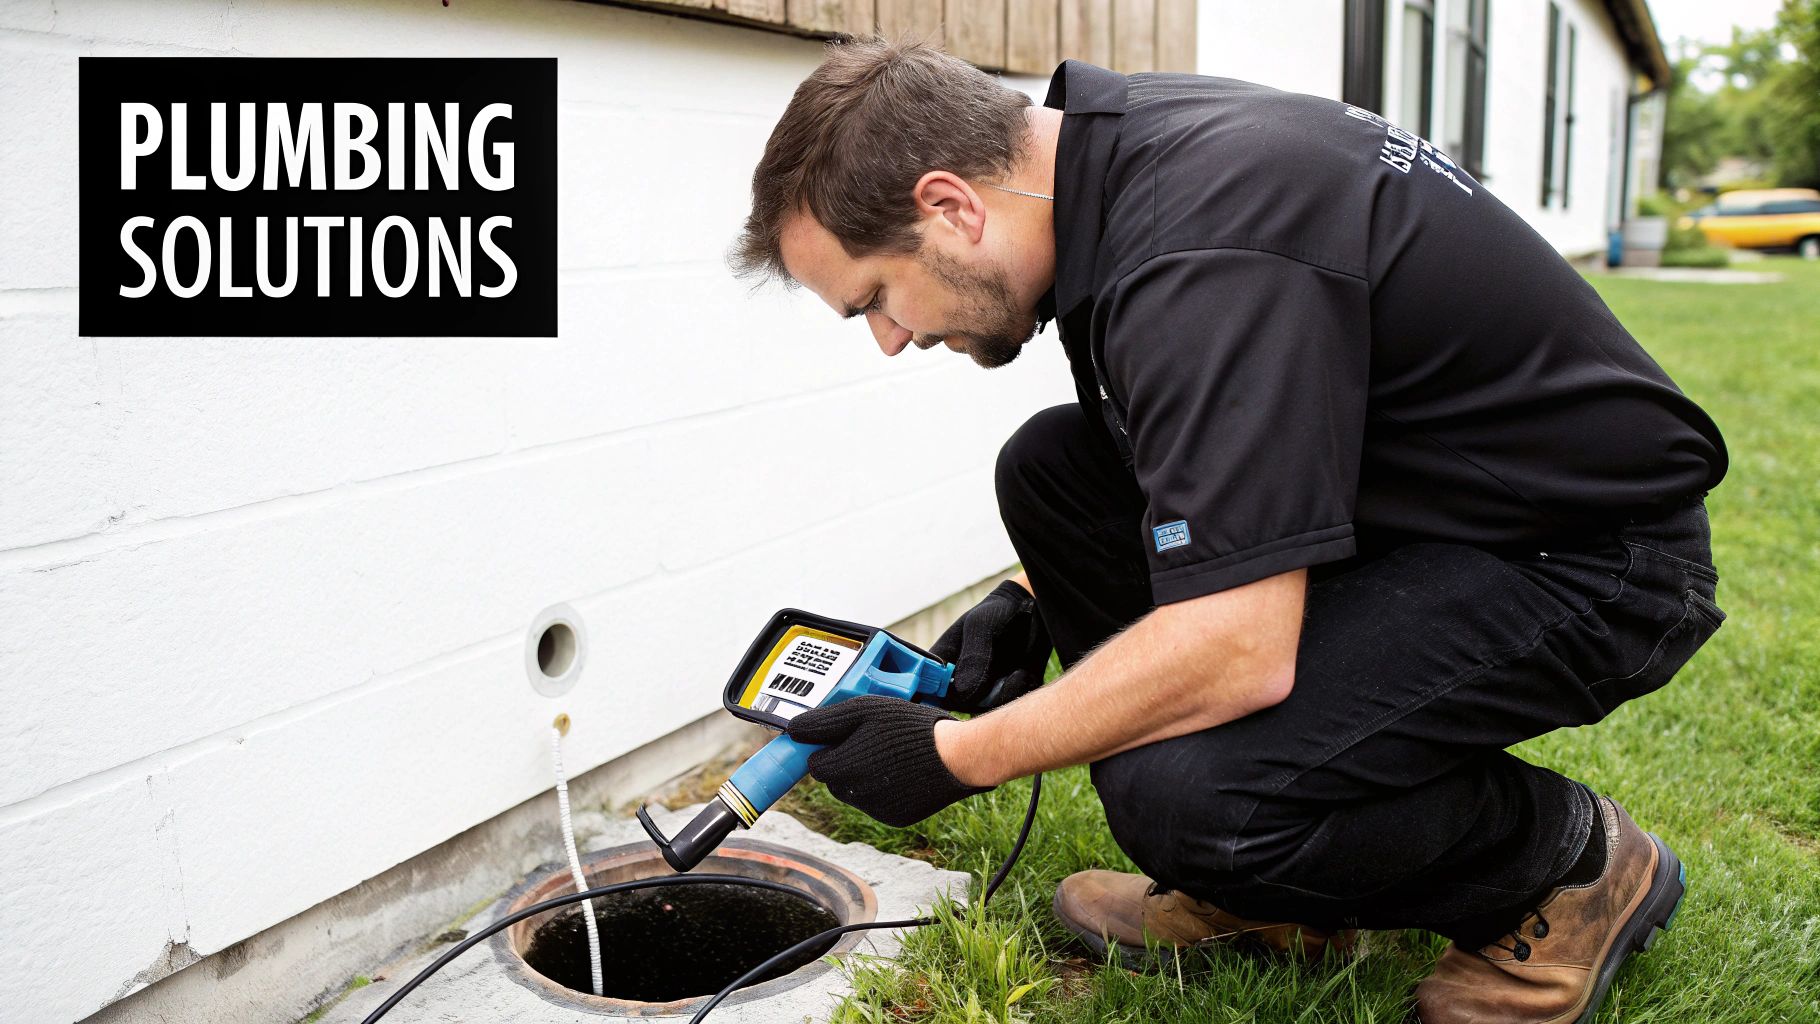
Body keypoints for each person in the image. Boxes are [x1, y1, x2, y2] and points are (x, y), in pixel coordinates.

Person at [729, 37, 1727, 1024]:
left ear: (949, 206)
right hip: (1425, 498)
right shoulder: (1109, 162)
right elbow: (1186, 446)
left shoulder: (1199, 251)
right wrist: (1021, 606)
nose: (890, 337)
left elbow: (1236, 654)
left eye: (874, 297)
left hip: (1585, 551)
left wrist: (954, 752)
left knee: (1186, 796)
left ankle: (1567, 867)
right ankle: (1275, 900)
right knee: (1051, 466)